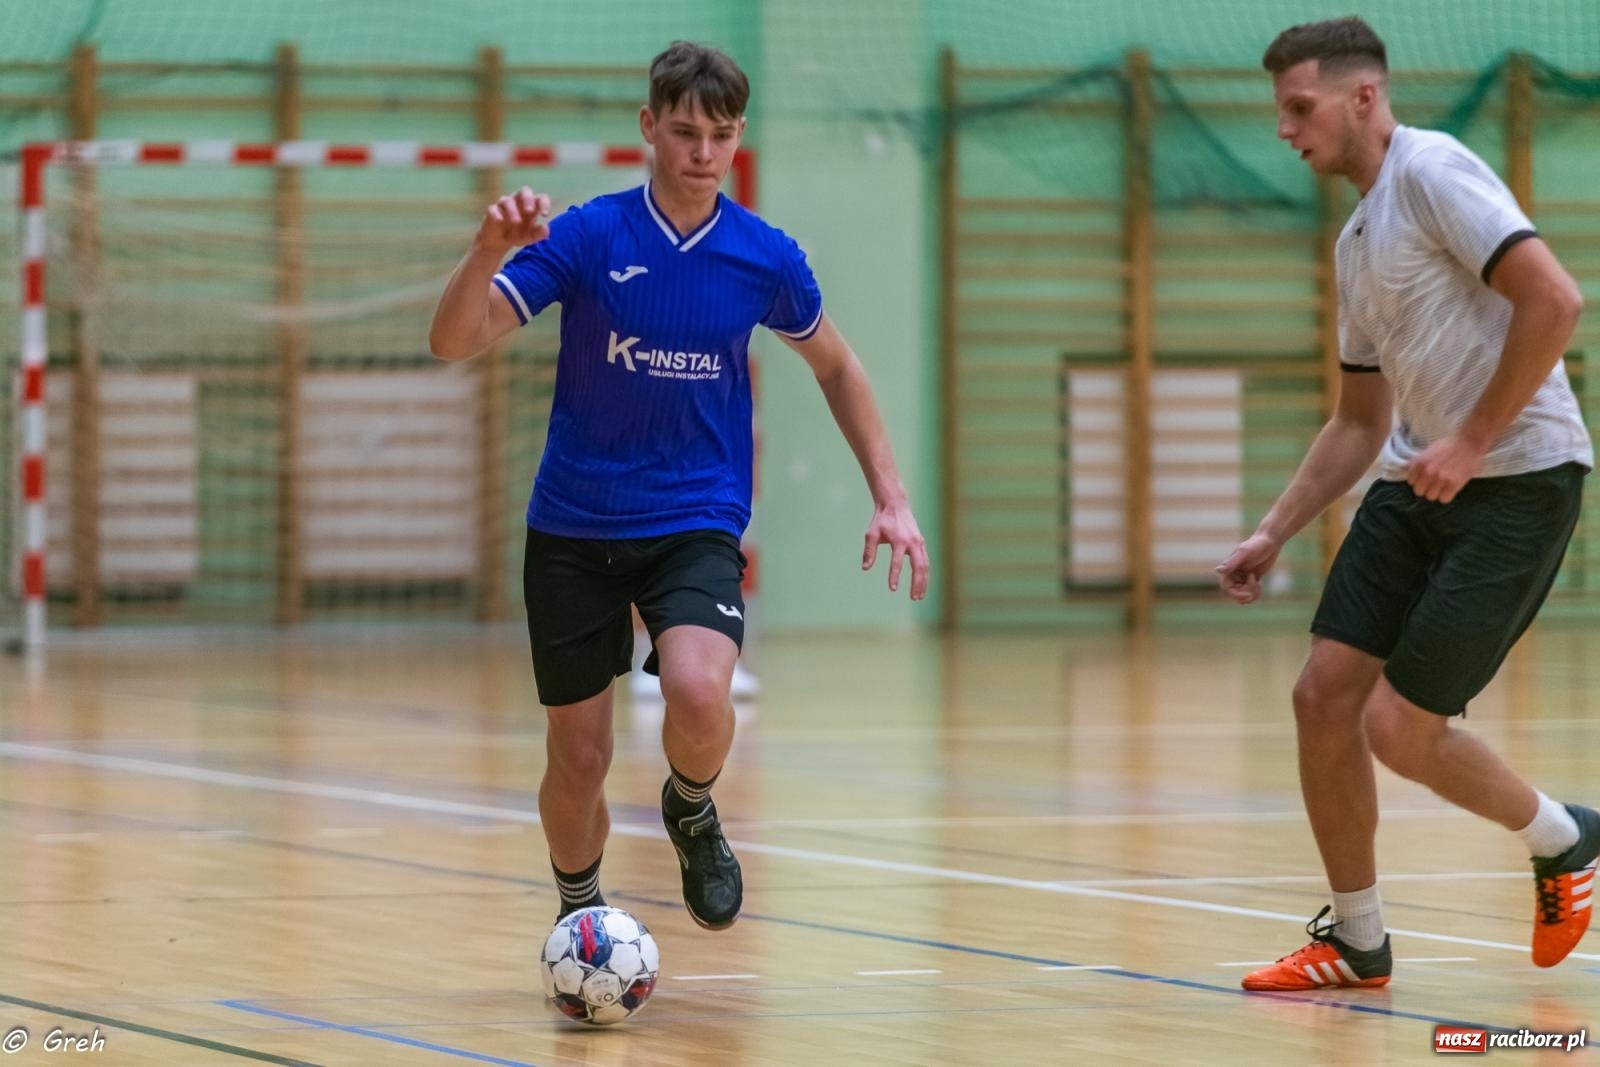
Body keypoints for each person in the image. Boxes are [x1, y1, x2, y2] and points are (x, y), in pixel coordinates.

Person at [428, 41, 928, 932]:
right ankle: (581, 916)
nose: (703, 152)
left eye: (722, 135)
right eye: (686, 131)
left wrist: (891, 495)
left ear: (738, 138)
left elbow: (839, 367)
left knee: (700, 692)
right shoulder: (586, 236)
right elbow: (454, 340)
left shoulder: (763, 257)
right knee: (576, 755)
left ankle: (690, 803)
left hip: (693, 518)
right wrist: (484, 251)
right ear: (649, 127)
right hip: (574, 527)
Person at [1217, 16, 1595, 990]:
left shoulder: (1433, 172)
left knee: (1398, 727)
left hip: (1516, 478)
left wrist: (1470, 439)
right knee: (1320, 698)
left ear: (1362, 98)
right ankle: (1355, 937)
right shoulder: (1355, 239)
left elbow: (1553, 299)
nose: (1284, 129)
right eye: (1280, 112)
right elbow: (1355, 420)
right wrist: (1273, 528)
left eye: (1297, 108)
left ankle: (1566, 838)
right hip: (1416, 480)